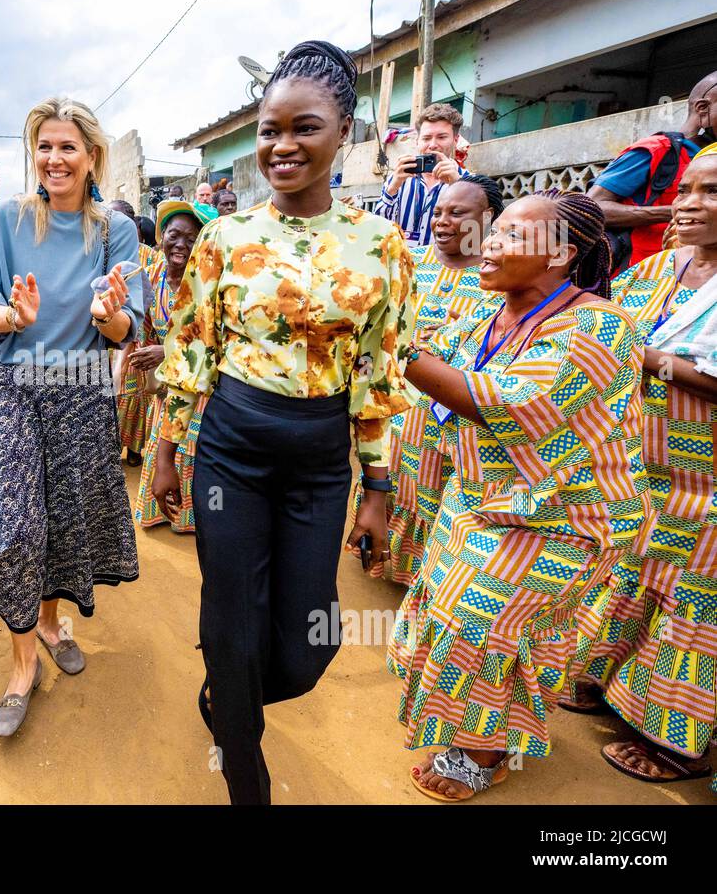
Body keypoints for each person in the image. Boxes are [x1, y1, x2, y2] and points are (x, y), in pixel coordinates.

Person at [155, 41, 414, 805]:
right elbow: (190, 353)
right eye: (270, 130)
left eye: (305, 128)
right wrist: (169, 448)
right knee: (232, 621)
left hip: (319, 460)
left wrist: (378, 486)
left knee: (309, 645)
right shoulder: (222, 240)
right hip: (232, 449)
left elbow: (378, 373)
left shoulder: (382, 246)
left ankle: (230, 699)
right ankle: (245, 770)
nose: (282, 146)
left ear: (345, 131)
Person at [388, 191, 649, 801]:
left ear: (559, 255)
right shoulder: (490, 317)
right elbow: (434, 354)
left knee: (485, 626)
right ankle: (486, 733)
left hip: (563, 519)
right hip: (485, 505)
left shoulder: (598, 327)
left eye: (509, 237)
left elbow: (503, 401)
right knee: (457, 617)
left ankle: (483, 752)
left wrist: (392, 349)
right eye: (492, 233)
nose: (487, 245)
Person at [0, 96, 142, 738]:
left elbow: (123, 329)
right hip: (14, 388)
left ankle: (51, 622)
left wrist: (109, 312)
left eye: (67, 147)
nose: (54, 159)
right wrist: (14, 317)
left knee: (61, 523)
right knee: (20, 523)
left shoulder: (115, 230)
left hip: (81, 393)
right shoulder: (5, 220)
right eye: (44, 147)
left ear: (91, 156)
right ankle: (22, 664)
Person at [576, 146, 717, 786]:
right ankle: (606, 682)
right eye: (685, 190)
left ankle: (680, 741)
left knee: (692, 595)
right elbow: (610, 329)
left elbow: (642, 352)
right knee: (633, 568)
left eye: (710, 194)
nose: (688, 205)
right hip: (643, 459)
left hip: (705, 476)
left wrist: (650, 359)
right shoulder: (662, 266)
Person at [353, 174, 504, 585]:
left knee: (434, 493)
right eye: (437, 212)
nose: (443, 221)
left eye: (457, 213)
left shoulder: (500, 280)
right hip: (393, 404)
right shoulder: (408, 261)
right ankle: (377, 553)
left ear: (487, 218)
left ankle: (422, 576)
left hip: (450, 413)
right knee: (388, 480)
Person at [589, 71, 715, 271]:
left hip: (697, 276)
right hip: (639, 277)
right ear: (702, 108)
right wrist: (675, 212)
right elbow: (592, 208)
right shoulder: (659, 149)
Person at [134, 199, 207, 532]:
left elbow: (214, 339)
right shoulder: (150, 276)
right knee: (162, 443)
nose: (181, 244)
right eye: (174, 235)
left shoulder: (208, 282)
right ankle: (161, 510)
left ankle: (192, 518)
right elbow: (143, 326)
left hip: (202, 383)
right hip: (166, 385)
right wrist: (147, 351)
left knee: (193, 448)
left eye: (191, 239)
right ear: (161, 235)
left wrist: (167, 350)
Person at [376, 102, 469, 247]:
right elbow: (378, 228)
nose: (432, 144)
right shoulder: (400, 177)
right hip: (402, 263)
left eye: (442, 137)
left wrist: (458, 187)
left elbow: (473, 236)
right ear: (417, 141)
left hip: (443, 266)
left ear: (455, 140)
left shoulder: (469, 182)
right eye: (426, 138)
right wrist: (392, 188)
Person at [110, 199, 159, 466]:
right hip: (112, 339)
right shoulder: (106, 252)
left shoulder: (150, 257)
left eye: (124, 216)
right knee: (114, 396)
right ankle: (113, 447)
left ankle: (136, 448)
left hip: (142, 336)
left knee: (138, 397)